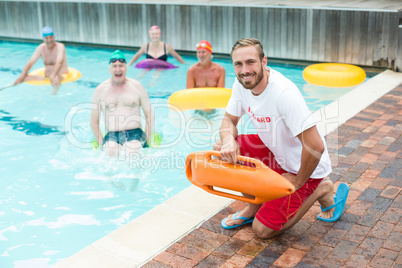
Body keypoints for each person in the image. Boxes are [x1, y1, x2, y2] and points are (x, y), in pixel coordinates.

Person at [214, 38, 344, 239]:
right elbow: (228, 121)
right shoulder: (242, 83)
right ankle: (253, 207)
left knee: (263, 231)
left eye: (251, 62)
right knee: (223, 146)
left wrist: (299, 181)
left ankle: (320, 188)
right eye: (238, 64)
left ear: (264, 62)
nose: (244, 70)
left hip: (305, 167)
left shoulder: (284, 94)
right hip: (277, 154)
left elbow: (316, 146)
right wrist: (229, 139)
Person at [91, 50, 153, 157]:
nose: (118, 69)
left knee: (132, 152)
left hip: (135, 133)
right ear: (109, 69)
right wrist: (101, 145)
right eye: (114, 66)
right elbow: (93, 121)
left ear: (126, 68)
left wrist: (146, 141)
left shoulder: (137, 87)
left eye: (121, 65)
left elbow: (150, 116)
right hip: (112, 135)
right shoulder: (100, 90)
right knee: (110, 152)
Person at [14, 26, 68, 95]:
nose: (49, 40)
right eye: (46, 38)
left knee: (56, 78)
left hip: (60, 75)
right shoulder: (41, 48)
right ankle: (9, 86)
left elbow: (59, 62)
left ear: (54, 37)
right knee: (24, 78)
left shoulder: (60, 46)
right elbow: (31, 62)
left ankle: (53, 95)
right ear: (43, 39)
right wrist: (21, 76)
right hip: (47, 77)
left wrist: (53, 75)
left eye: (51, 37)